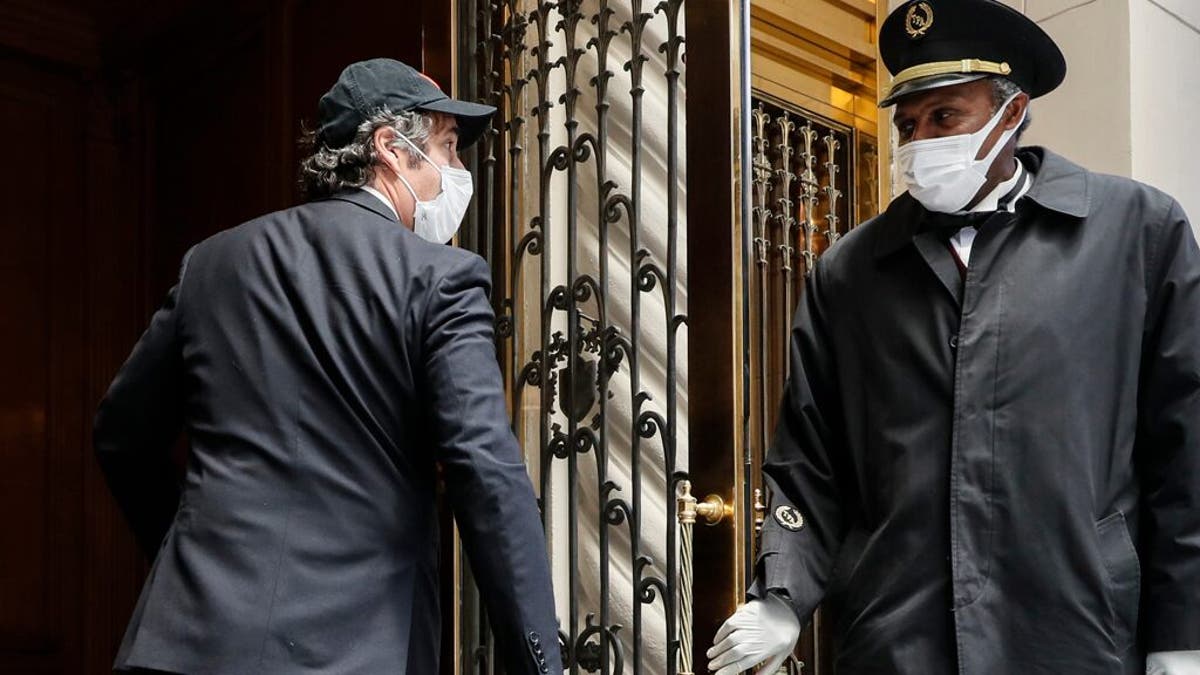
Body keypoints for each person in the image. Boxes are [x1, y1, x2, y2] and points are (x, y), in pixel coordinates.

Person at [706, 1, 1200, 673]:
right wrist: (782, 597)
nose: (920, 142)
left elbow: (1185, 450)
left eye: (945, 117)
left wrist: (1181, 633)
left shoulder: (1136, 234)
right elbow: (810, 460)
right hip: (898, 640)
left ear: (1013, 111)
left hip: (1075, 634)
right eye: (908, 124)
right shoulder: (851, 272)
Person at [94, 58, 562, 675]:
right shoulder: (440, 277)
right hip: (352, 651)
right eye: (448, 148)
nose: (459, 172)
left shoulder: (213, 263)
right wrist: (540, 664)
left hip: (186, 643)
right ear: (391, 150)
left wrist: (190, 550)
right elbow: (487, 474)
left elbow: (121, 434)